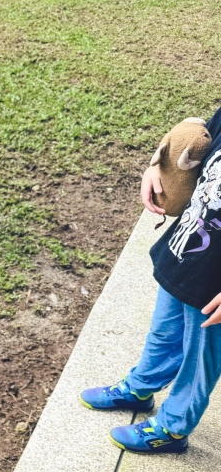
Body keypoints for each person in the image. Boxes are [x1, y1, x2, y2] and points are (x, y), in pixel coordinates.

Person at [80, 107, 221, 454]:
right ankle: (141, 387)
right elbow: (196, 134)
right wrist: (158, 164)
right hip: (188, 249)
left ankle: (173, 429)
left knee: (200, 357)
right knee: (164, 330)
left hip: (215, 285)